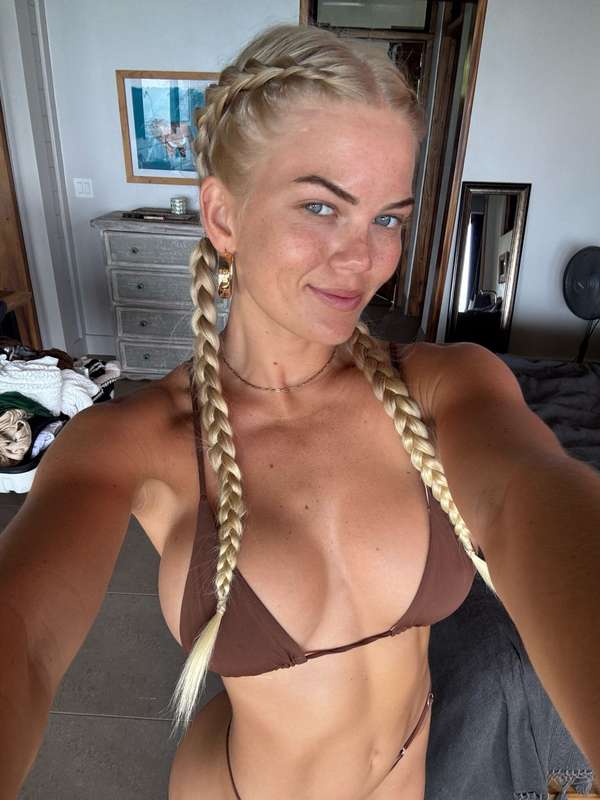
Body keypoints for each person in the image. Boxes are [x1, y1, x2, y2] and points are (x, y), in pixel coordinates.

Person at [1, 22, 599, 800]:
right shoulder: (131, 442)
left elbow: (534, 493)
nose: (363, 258)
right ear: (223, 217)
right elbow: (21, 639)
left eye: (388, 217)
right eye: (321, 206)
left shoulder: (444, 384)